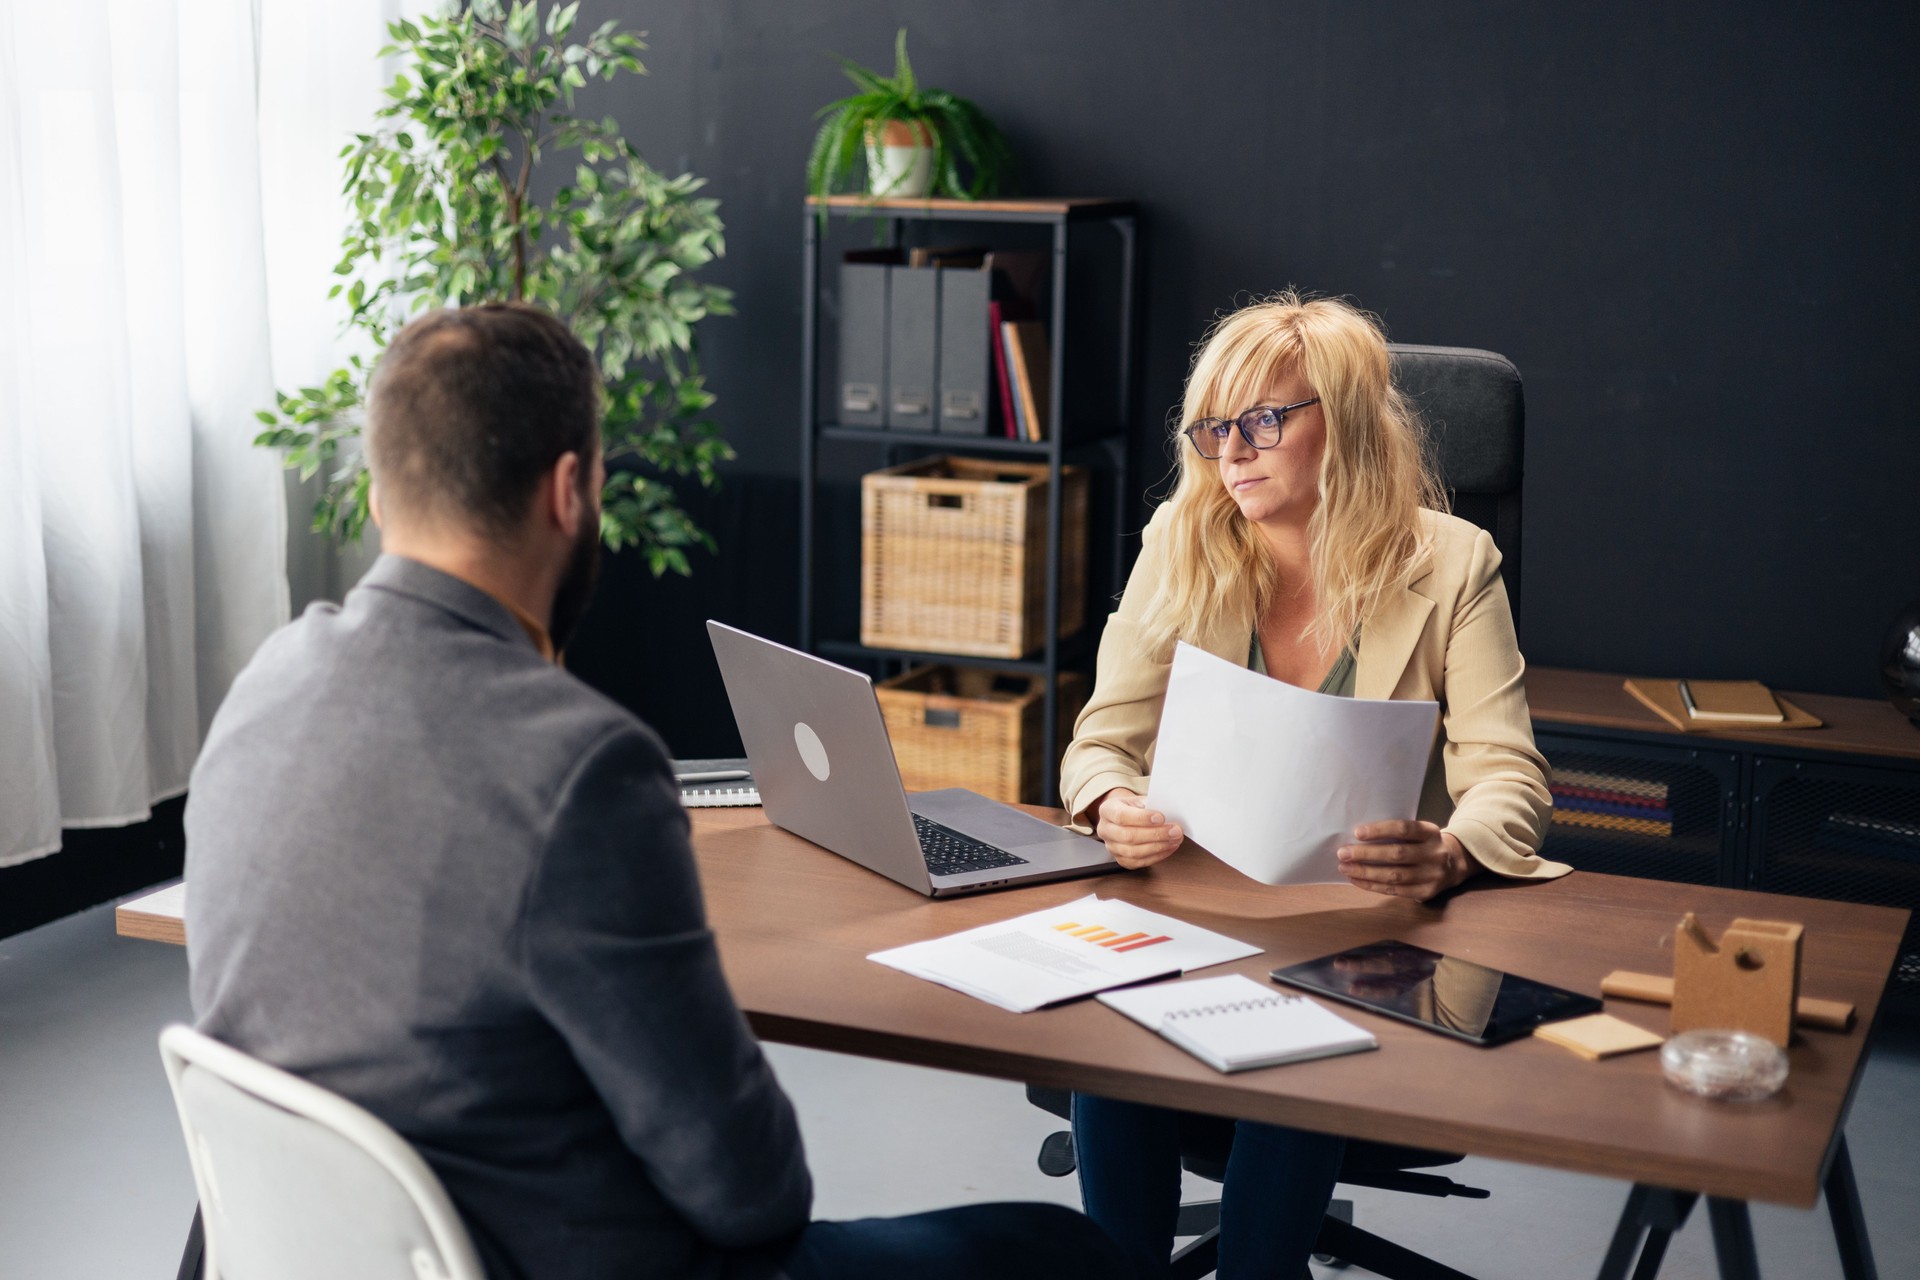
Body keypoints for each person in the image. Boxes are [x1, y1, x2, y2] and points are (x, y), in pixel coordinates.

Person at [185, 303, 1138, 1280]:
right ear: (569, 490)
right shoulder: (576, 764)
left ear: (383, 494)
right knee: (1069, 1251)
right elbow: (751, 1190)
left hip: (326, 1255)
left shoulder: (267, 679)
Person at [1057, 292, 1567, 1278]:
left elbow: (1509, 776)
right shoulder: (1181, 537)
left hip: (1360, 928)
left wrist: (1452, 845)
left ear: (1349, 422)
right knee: (1111, 1035)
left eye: (1263, 420)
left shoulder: (1454, 563)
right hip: (1194, 907)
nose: (1232, 452)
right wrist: (1110, 803)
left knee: (1304, 1049)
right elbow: (1098, 742)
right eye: (1215, 428)